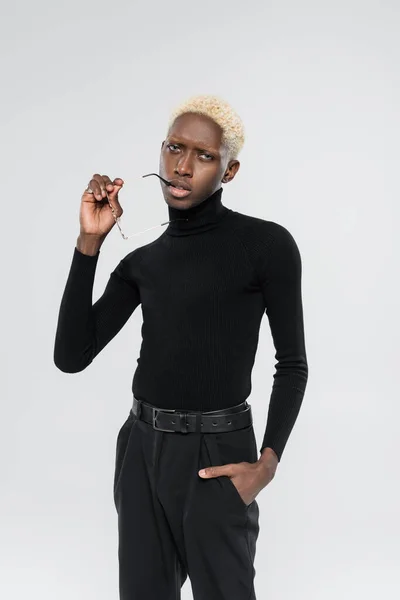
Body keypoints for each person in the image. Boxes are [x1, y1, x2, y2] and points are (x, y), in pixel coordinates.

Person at [53, 94, 308, 600]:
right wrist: (89, 244)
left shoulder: (266, 246)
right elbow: (71, 355)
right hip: (142, 450)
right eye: (174, 147)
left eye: (203, 155)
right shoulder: (144, 263)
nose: (183, 165)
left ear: (228, 171)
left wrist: (268, 462)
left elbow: (292, 364)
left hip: (218, 455)